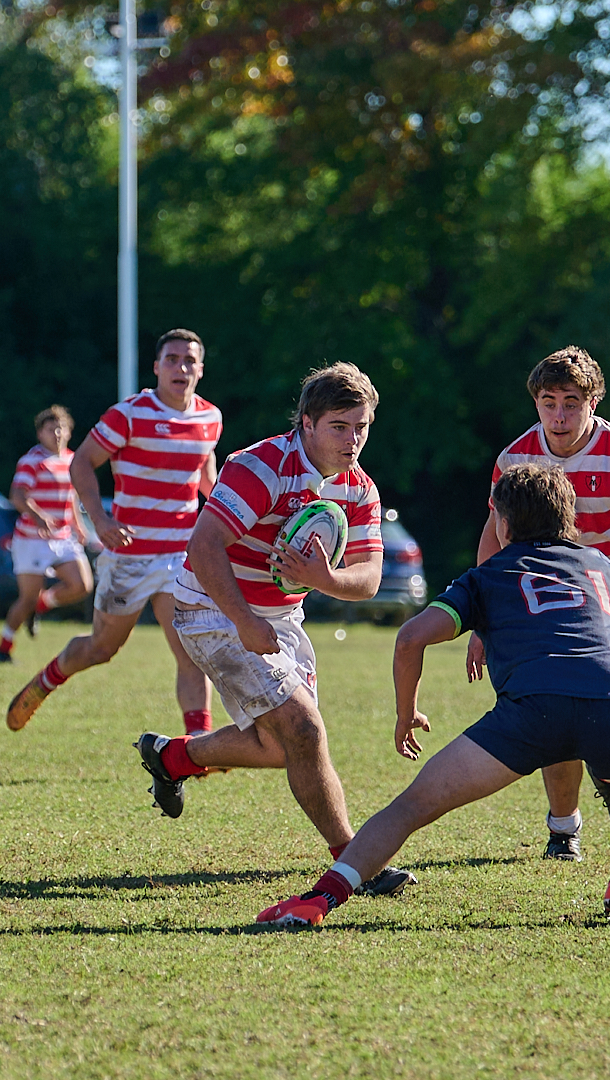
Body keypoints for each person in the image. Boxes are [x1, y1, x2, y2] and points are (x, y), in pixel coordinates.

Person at [257, 463, 610, 929]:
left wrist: (406, 713)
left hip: (526, 720)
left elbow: (411, 638)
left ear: (502, 522)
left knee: (410, 808)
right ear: (570, 517)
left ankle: (320, 899)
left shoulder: (487, 576)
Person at [133, 362, 415, 897]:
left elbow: (370, 579)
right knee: (304, 729)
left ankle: (171, 757)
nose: (353, 440)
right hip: (211, 609)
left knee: (280, 746)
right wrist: (243, 622)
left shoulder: (360, 490)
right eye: (340, 426)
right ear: (307, 422)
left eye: (362, 427)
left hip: (281, 618)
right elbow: (204, 546)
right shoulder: (261, 465)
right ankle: (357, 863)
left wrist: (324, 578)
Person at [467, 346, 610, 861]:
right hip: (542, 612)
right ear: (536, 403)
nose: (559, 415)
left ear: (593, 402)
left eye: (571, 402)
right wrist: (483, 623)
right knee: (553, 720)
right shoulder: (515, 458)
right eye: (548, 402)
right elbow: (492, 543)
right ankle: (564, 830)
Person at [6, 329, 222, 737]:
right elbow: (82, 463)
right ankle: (47, 679)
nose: (181, 367)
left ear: (201, 370)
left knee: (191, 652)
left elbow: (205, 473)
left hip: (180, 555)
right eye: (172, 359)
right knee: (102, 649)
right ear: (156, 367)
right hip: (129, 555)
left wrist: (233, 514)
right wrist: (99, 522)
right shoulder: (129, 414)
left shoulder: (210, 418)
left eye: (189, 360)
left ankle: (196, 747)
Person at [0, 406, 93, 661]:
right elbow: (17, 496)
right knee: (26, 598)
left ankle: (41, 605)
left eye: (62, 428)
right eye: (51, 428)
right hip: (31, 539)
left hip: (62, 537)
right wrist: (39, 516)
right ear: (40, 433)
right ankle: (4, 646)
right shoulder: (32, 461)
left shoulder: (73, 460)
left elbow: (71, 496)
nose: (57, 433)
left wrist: (79, 525)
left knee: (82, 585)